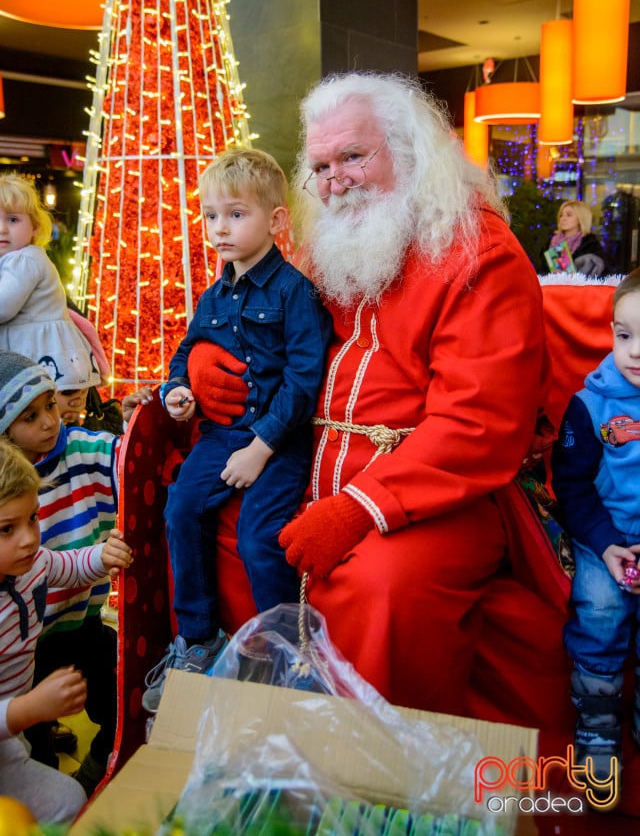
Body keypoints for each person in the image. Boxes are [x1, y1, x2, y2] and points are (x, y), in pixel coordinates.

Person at [180, 72, 554, 725]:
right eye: (320, 166)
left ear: (410, 152)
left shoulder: (478, 249)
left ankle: (377, 776)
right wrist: (209, 358)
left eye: (353, 156)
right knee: (208, 514)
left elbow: (479, 420)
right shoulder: (328, 244)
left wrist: (357, 510)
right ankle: (255, 726)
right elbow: (268, 328)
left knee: (386, 588)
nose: (334, 181)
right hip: (305, 464)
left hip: (434, 495)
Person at [141, 149, 332, 713]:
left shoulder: (295, 291)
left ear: (275, 221)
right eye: (210, 216)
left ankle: (285, 656)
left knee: (257, 536)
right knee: (180, 508)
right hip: (221, 435)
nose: (219, 228)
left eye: (235, 214)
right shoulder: (215, 294)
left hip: (279, 440)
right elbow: (186, 352)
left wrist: (260, 448)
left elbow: (304, 379)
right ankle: (198, 639)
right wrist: (176, 390)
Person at [0, 351, 121, 796]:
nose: (49, 423)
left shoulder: (82, 450)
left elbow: (62, 565)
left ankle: (98, 765)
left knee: (114, 683)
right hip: (30, 648)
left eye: (51, 405)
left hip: (78, 622)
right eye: (30, 417)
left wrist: (104, 556)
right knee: (32, 744)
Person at [552, 267, 640, 791]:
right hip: (604, 534)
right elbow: (573, 484)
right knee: (602, 611)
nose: (634, 351)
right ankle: (598, 725)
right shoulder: (590, 406)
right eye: (624, 334)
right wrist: (606, 544)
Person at [0, 174, 101, 389]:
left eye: (13, 220)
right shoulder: (15, 260)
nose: (2, 229)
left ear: (35, 227)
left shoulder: (25, 259)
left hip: (40, 362)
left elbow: (3, 307)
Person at [547, 199, 609, 277]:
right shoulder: (553, 241)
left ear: (580, 218)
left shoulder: (590, 244)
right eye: (561, 215)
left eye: (569, 215)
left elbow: (602, 272)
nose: (563, 218)